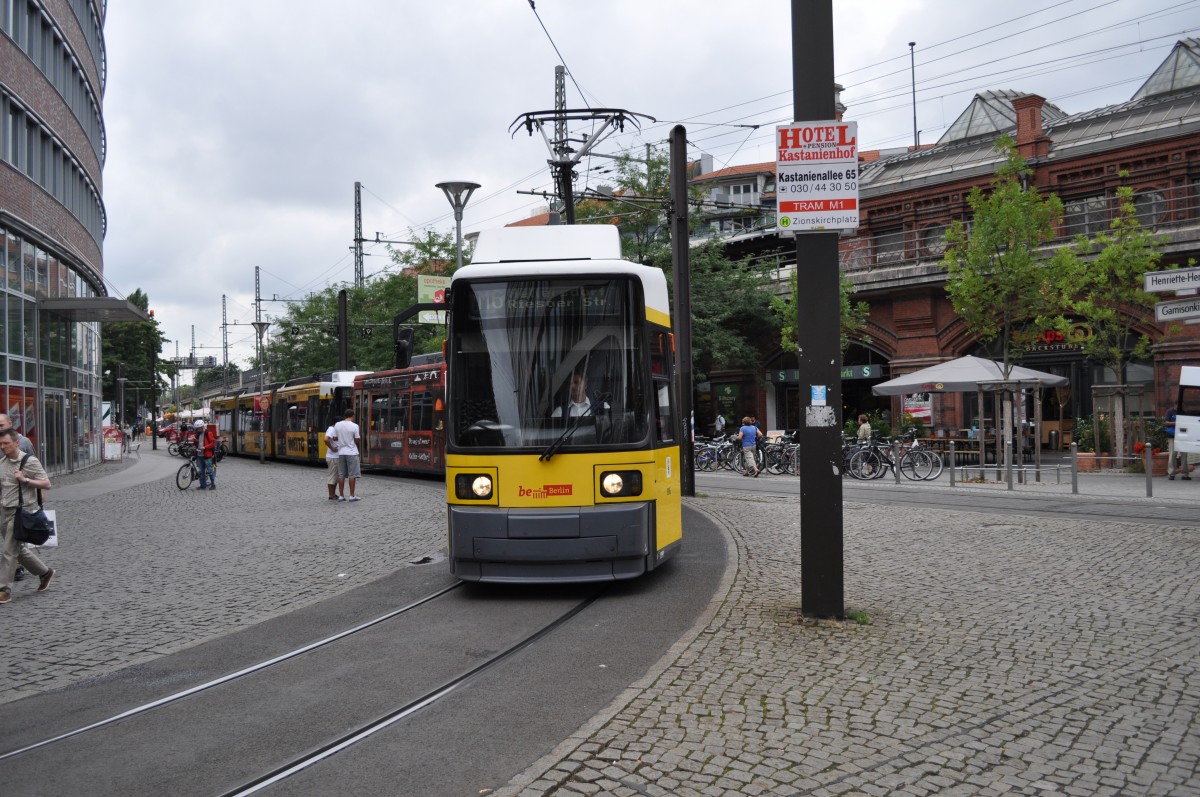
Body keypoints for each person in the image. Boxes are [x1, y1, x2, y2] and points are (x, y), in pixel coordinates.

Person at [0, 429, 55, 605]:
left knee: (9, 551)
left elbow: (46, 483)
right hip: (4, 510)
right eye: (0, 444)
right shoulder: (2, 462)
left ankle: (4, 590)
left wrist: (25, 480)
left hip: (21, 512)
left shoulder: (28, 461)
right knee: (18, 550)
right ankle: (45, 572)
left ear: (16, 443)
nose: (2, 447)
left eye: (6, 443)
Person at [334, 408, 362, 502]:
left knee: (341, 475)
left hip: (341, 452)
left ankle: (341, 496)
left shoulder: (337, 424)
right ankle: (352, 496)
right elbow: (357, 439)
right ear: (352, 416)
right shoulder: (355, 426)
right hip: (351, 452)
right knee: (352, 475)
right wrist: (352, 441)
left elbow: (334, 438)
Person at [1165, 408, 1191, 481]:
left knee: (1184, 455)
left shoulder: (1184, 411)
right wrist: (1177, 423)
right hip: (1172, 436)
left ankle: (1184, 474)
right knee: (1173, 454)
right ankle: (1172, 474)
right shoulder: (1170, 411)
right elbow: (1166, 422)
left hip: (1183, 436)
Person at [194, 420, 217, 490]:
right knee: (201, 471)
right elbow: (199, 443)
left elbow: (213, 443)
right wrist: (195, 441)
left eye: (198, 428)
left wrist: (205, 447)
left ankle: (213, 484)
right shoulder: (197, 434)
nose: (197, 430)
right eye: (196, 429)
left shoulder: (208, 433)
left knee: (210, 470)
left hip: (207, 455)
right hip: (199, 455)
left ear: (202, 427)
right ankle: (202, 485)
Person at [324, 421, 340, 500]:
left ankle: (333, 494)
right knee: (332, 476)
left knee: (335, 477)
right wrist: (332, 448)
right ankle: (331, 495)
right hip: (333, 457)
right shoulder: (331, 429)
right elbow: (326, 440)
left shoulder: (336, 430)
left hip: (336, 457)